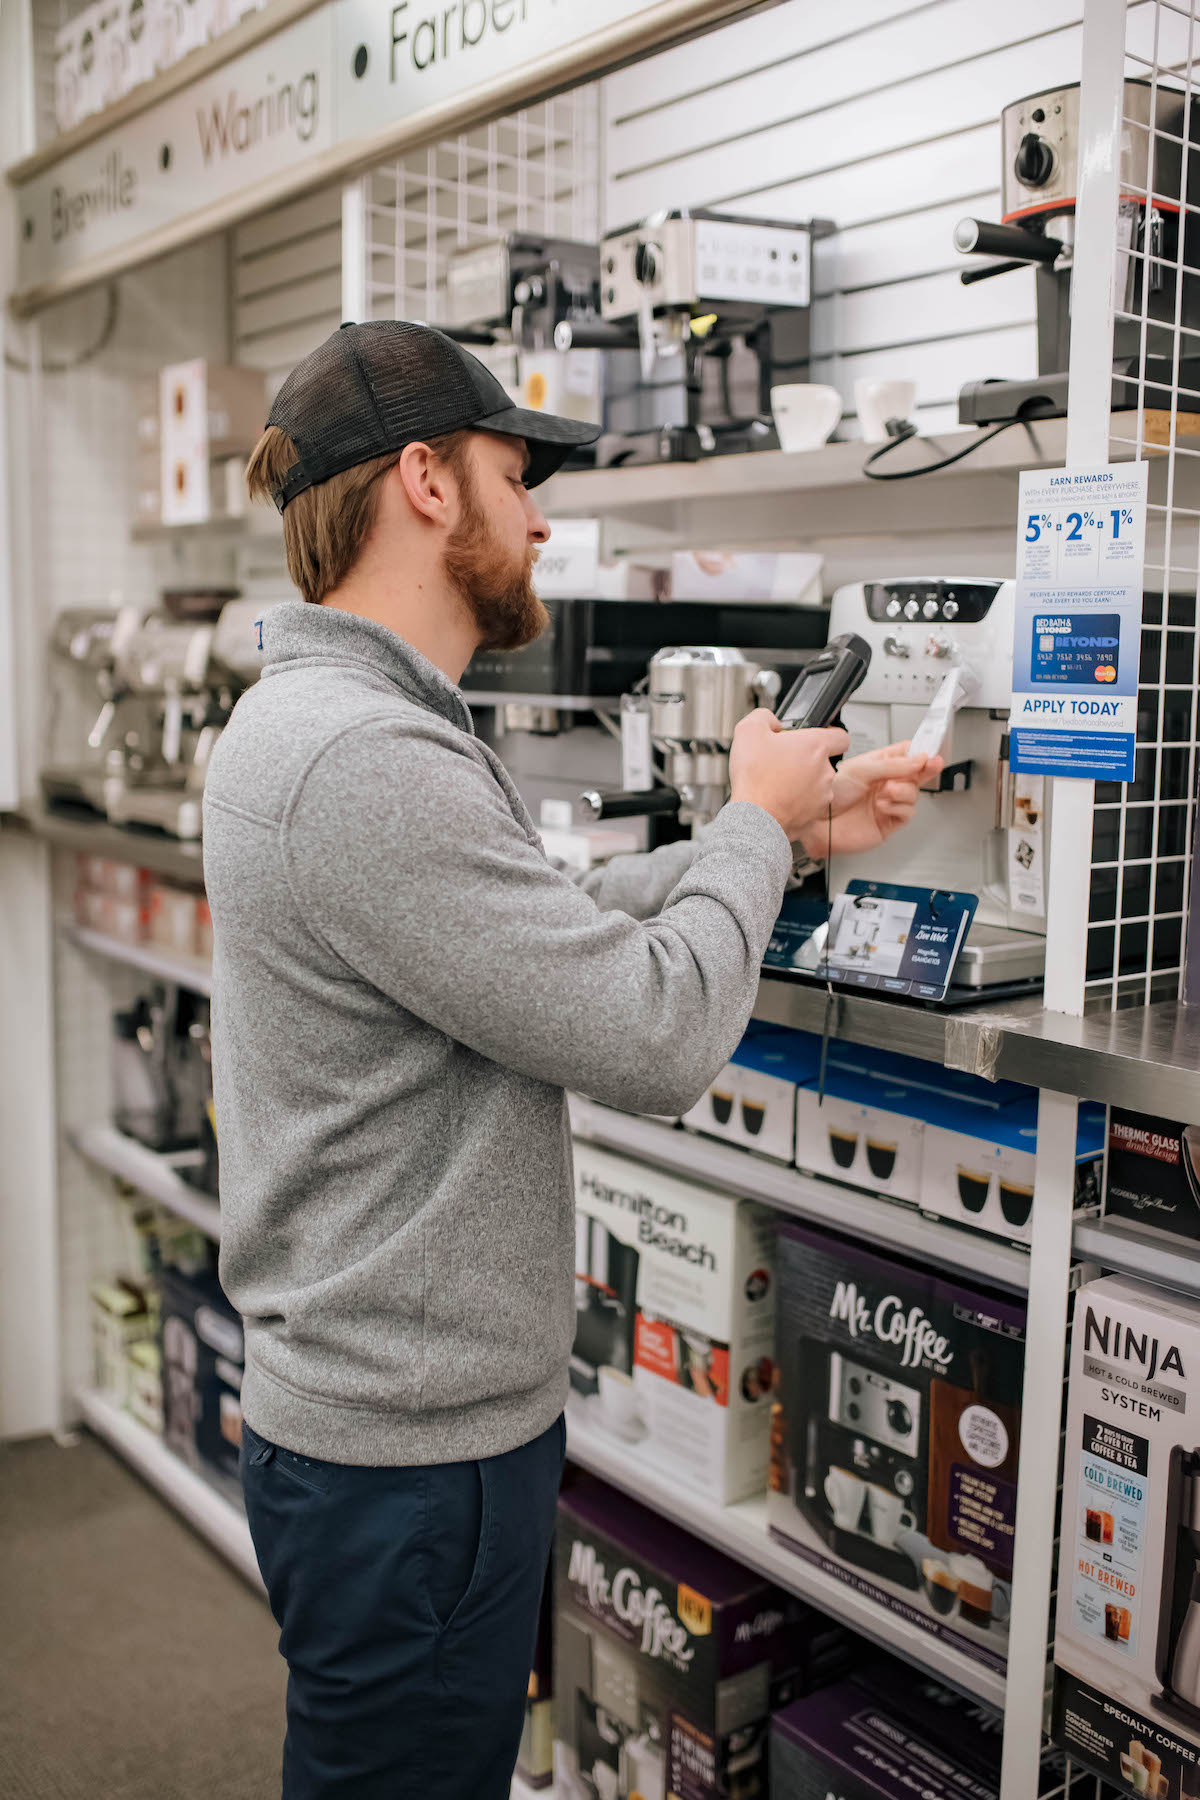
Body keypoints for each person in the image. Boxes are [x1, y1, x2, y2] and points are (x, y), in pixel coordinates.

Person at [203, 319, 938, 1800]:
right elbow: (650, 1031)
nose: (542, 518)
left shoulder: (329, 723)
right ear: (423, 479)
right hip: (411, 1459)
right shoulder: (365, 760)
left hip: (379, 1433)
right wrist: (745, 817)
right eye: (513, 473)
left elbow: (539, 931)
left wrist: (779, 838)